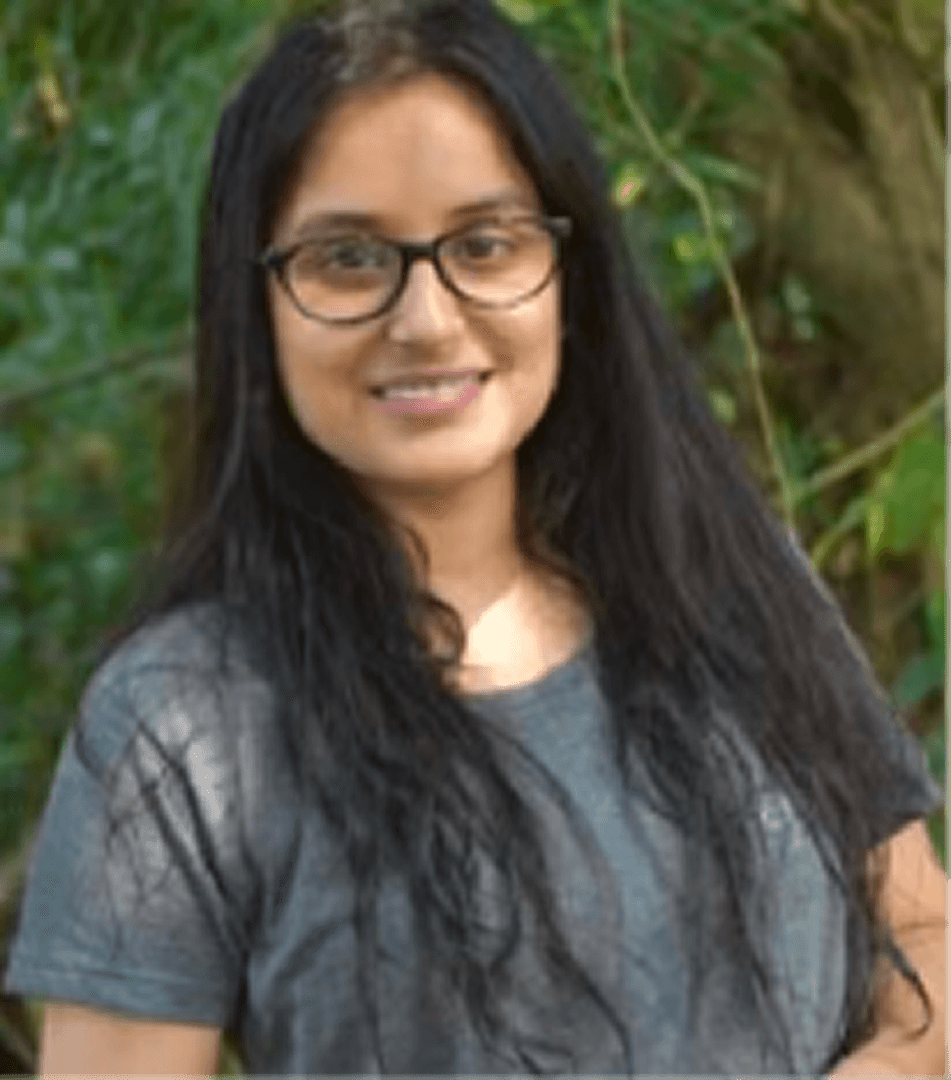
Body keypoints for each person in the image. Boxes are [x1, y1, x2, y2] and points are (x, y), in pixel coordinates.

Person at [4, 1, 946, 1077]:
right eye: (349, 258)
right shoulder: (185, 726)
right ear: (254, 299)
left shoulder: (727, 578)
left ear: (568, 272)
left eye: (486, 243)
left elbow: (925, 937)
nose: (428, 318)